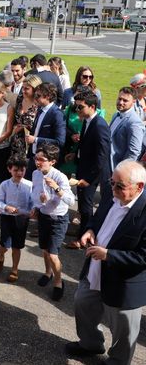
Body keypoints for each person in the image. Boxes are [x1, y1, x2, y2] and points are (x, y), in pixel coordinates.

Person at [65, 160, 146, 365]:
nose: (113, 189)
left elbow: (143, 256)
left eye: (120, 186)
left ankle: (119, 364)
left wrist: (109, 255)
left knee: (123, 328)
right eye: (112, 183)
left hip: (124, 281)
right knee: (83, 303)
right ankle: (91, 344)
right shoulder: (113, 195)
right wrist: (89, 230)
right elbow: (97, 219)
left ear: (139, 187)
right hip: (96, 269)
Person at [64, 90, 111, 249]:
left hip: (91, 175)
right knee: (84, 205)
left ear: (92, 107)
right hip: (83, 168)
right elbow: (86, 145)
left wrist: (88, 180)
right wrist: (75, 155)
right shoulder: (87, 120)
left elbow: (101, 158)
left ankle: (82, 239)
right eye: (76, 107)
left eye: (80, 107)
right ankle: (83, 233)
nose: (77, 111)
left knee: (86, 207)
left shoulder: (99, 125)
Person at [30, 143, 75, 301]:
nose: (38, 162)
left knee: (53, 254)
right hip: (43, 216)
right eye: (36, 158)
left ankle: (58, 282)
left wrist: (56, 188)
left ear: (52, 162)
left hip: (58, 219)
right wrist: (36, 206)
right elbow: (35, 192)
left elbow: (71, 201)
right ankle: (48, 273)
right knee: (44, 249)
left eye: (41, 159)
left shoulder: (60, 177)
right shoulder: (36, 174)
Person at [0, 155, 33, 283]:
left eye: (22, 170)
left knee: (17, 246)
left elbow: (32, 203)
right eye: (16, 170)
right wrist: (5, 207)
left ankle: (14, 269)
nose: (19, 173)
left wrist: (32, 212)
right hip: (7, 218)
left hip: (21, 220)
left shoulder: (29, 185)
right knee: (5, 244)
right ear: (9, 169)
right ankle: (1, 255)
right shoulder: (4, 185)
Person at [25, 83, 66, 179]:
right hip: (33, 158)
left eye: (38, 96)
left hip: (46, 162)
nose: (35, 98)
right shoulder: (40, 109)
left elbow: (60, 141)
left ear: (47, 96)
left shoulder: (57, 114)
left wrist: (36, 140)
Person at [10, 75, 42, 159]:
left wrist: (24, 127)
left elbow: (41, 127)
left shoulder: (39, 105)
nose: (23, 91)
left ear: (35, 89)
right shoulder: (20, 99)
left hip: (31, 146)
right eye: (22, 88)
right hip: (15, 144)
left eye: (26, 89)